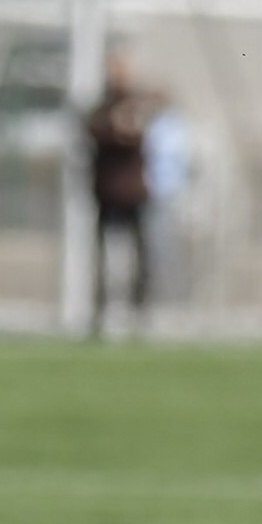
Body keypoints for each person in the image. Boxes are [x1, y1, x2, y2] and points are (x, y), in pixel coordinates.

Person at [84, 50, 155, 338]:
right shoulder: (102, 109)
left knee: (141, 257)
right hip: (106, 194)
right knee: (102, 257)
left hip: (133, 196)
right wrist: (115, 126)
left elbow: (139, 131)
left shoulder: (138, 106)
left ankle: (139, 312)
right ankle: (100, 312)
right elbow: (95, 130)